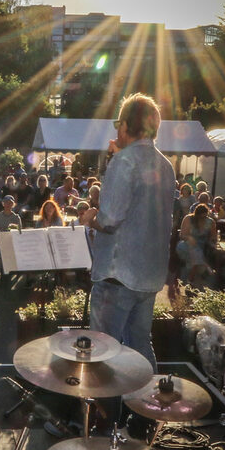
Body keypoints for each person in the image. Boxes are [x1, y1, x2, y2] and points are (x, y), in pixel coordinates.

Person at [82, 93, 175, 370]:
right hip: (148, 275)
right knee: (139, 346)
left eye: (116, 125)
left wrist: (91, 217)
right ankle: (146, 408)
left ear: (124, 126)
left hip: (117, 275)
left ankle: (106, 413)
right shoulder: (165, 165)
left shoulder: (124, 162)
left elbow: (110, 219)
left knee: (102, 350)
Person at [176, 204, 217, 285]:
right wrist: (189, 238)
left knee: (196, 254)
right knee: (194, 251)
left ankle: (190, 280)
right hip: (186, 244)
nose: (202, 219)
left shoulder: (210, 222)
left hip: (200, 247)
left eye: (204, 217)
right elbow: (182, 235)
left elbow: (213, 237)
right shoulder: (189, 218)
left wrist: (212, 241)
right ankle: (204, 266)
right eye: (201, 217)